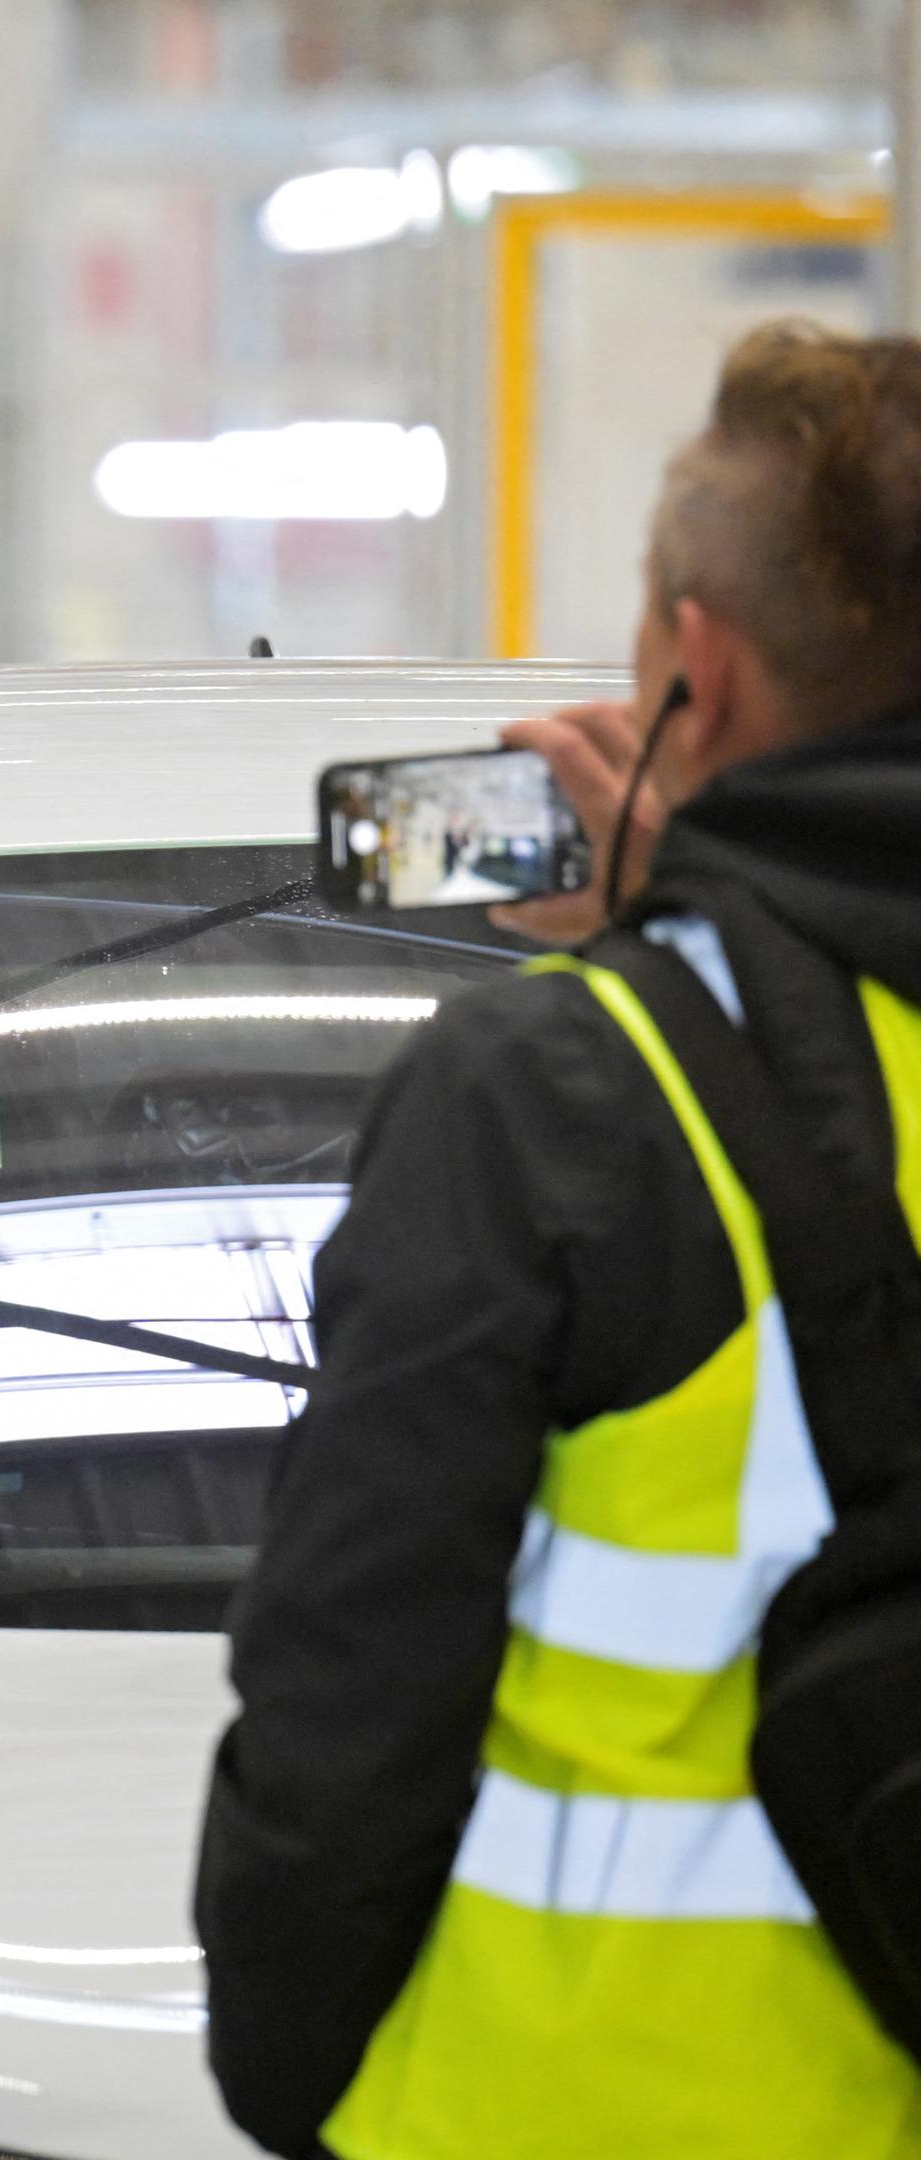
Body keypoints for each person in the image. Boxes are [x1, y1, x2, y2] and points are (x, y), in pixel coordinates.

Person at [198, 323, 921, 2157]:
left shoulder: (565, 1091)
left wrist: (291, 2077)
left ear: (702, 660)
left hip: (584, 2102)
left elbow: (353, 1685)